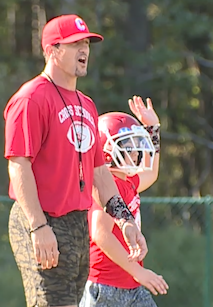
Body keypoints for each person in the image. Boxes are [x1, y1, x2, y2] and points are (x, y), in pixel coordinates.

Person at [4, 14, 147, 307]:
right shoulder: (31, 98)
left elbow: (100, 172)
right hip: (42, 218)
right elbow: (19, 165)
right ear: (53, 51)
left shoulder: (87, 104)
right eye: (74, 44)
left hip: (75, 222)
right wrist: (38, 226)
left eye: (86, 43)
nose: (84, 51)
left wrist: (125, 220)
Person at [79, 96, 168, 307]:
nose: (136, 151)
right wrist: (139, 272)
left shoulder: (126, 181)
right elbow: (101, 234)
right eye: (128, 145)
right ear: (106, 151)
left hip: (129, 284)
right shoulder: (107, 186)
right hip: (106, 286)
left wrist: (153, 129)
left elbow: (151, 172)